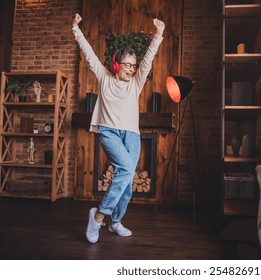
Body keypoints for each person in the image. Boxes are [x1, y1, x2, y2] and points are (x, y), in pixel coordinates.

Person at [72, 13, 165, 243]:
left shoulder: (136, 82)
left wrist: (159, 35)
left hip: (132, 134)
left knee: (127, 181)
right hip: (109, 131)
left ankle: (115, 222)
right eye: (127, 65)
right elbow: (88, 53)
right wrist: (75, 28)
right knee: (125, 169)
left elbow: (148, 60)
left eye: (134, 66)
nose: (132, 69)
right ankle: (98, 216)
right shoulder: (105, 78)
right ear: (116, 65)